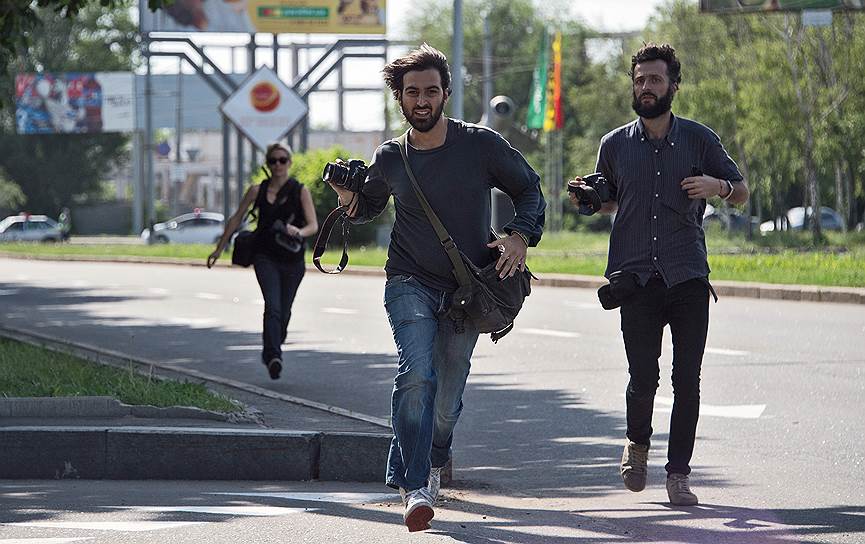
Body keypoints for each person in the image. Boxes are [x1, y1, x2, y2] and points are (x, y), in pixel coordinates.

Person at [325, 44, 545, 532]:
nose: (421, 100)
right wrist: (349, 200)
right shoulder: (391, 156)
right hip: (408, 281)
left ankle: (436, 451)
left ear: (446, 92)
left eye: (430, 91)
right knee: (417, 372)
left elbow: (530, 188)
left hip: (466, 290)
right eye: (411, 93)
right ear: (399, 99)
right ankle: (415, 483)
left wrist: (519, 235)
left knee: (446, 402)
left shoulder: (480, 145)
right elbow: (369, 206)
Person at [568, 43, 749, 506]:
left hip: (687, 274)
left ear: (673, 85)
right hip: (636, 279)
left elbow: (742, 192)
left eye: (654, 79)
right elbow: (610, 198)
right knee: (642, 375)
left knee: (687, 379)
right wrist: (590, 199)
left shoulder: (699, 139)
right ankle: (637, 445)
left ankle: (679, 475)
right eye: (640, 80)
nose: (646, 87)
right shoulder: (614, 144)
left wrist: (719, 186)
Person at [207, 143, 318, 380]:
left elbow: (313, 225)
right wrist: (219, 248)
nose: (278, 165)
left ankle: (275, 342)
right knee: (273, 307)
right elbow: (236, 219)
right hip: (265, 256)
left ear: (289, 162)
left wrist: (298, 231)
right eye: (273, 161)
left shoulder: (300, 191)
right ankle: (273, 356)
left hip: (293, 259)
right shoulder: (256, 190)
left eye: (282, 160)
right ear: (267, 164)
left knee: (285, 311)